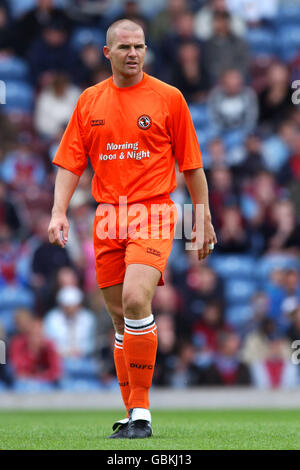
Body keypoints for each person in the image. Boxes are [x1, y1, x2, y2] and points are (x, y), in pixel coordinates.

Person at [48, 19, 217, 439]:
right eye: (124, 47)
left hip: (153, 211)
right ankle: (132, 413)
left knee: (137, 298)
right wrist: (58, 211)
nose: (133, 53)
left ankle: (141, 413)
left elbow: (192, 165)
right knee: (121, 320)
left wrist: (203, 217)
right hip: (106, 216)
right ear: (108, 53)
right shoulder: (89, 101)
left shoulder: (169, 98)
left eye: (139, 46)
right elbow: (71, 163)